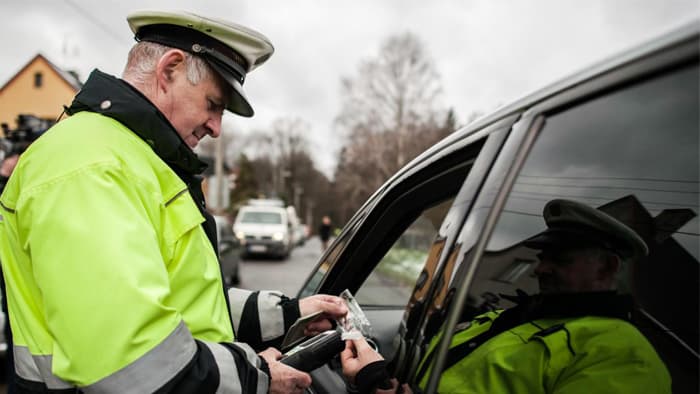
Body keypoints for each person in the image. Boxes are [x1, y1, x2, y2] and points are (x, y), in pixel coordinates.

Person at [0, 10, 347, 393]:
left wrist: (290, 315)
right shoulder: (91, 166)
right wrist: (256, 377)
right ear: (169, 70)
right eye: (213, 104)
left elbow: (183, 296)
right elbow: (131, 361)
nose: (216, 128)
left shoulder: (133, 160)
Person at [341, 199, 671, 393]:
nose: (541, 269)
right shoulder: (521, 316)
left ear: (607, 268)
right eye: (542, 257)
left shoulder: (624, 356)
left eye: (560, 259)